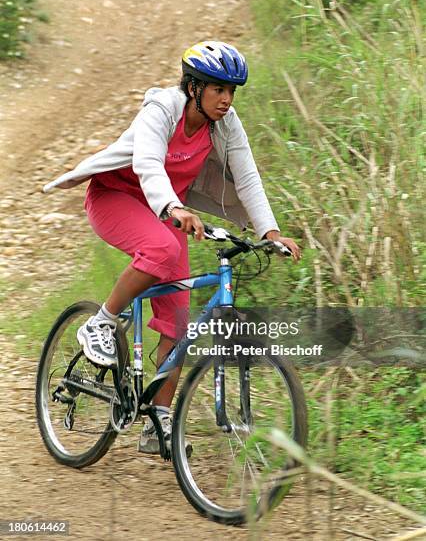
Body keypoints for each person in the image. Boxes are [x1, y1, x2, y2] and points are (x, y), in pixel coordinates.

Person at [44, 40, 301, 453]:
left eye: (232, 91)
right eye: (218, 89)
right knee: (162, 248)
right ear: (194, 86)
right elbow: (147, 162)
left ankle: (159, 423)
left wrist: (269, 233)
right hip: (117, 197)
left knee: (178, 324)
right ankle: (101, 322)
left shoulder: (226, 123)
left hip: (166, 212)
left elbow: (248, 177)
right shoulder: (162, 108)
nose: (226, 99)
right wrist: (173, 206)